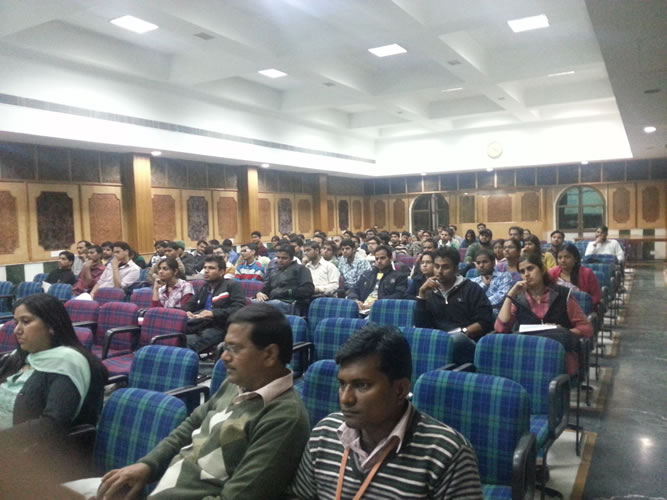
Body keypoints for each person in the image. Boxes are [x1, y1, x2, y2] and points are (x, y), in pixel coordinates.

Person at [94, 304, 310, 500]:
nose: (224, 357)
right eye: (225, 347)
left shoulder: (284, 417)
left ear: (270, 354)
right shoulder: (237, 383)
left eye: (235, 349)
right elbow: (191, 426)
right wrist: (148, 466)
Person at [287, 324, 482, 499]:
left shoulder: (447, 454)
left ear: (400, 390)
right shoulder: (325, 432)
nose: (345, 398)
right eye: (342, 384)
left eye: (362, 385)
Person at [0, 294, 107, 456]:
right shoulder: (21, 356)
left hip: (32, 456)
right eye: (16, 322)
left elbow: (52, 425)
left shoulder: (66, 362)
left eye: (26, 322)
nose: (17, 330)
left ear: (51, 325)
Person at [495, 252, 593, 375]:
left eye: (530, 268)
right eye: (522, 271)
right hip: (529, 354)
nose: (526, 274)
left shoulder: (563, 294)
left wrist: (561, 331)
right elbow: (500, 328)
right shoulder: (520, 298)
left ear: (542, 270)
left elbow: (586, 328)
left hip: (559, 353)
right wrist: (510, 294)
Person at [415, 246, 494, 364]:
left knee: (456, 339)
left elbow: (485, 321)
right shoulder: (429, 291)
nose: (439, 271)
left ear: (456, 269)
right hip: (437, 342)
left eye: (445, 267)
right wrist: (421, 294)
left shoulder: (471, 289)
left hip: (466, 341)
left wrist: (462, 332)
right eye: (436, 266)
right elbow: (421, 326)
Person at [182, 255, 245, 352]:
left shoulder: (232, 285)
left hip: (219, 327)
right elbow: (190, 305)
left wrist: (213, 313)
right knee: (172, 335)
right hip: (199, 323)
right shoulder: (204, 287)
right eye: (205, 268)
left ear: (221, 272)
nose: (206, 271)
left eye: (211, 268)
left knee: (185, 342)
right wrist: (187, 312)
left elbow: (239, 309)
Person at [346, 245, 408, 314]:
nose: (379, 261)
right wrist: (355, 300)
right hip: (362, 308)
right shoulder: (367, 275)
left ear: (390, 258)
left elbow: (398, 296)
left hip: (382, 310)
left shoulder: (399, 276)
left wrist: (377, 303)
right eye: (377, 259)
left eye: (382, 258)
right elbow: (353, 289)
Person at [255, 244, 314, 314]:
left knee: (274, 304)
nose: (280, 260)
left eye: (284, 258)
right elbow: (267, 287)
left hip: (290, 303)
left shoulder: (301, 269)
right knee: (252, 302)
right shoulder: (276, 270)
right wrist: (260, 293)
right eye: (278, 257)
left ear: (291, 258)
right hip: (273, 301)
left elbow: (308, 289)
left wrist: (288, 292)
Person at [470, 249, 514, 316]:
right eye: (478, 263)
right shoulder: (473, 281)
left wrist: (480, 304)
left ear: (493, 263)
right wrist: (484, 285)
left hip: (495, 313)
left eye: (485, 262)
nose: (481, 265)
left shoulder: (504, 277)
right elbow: (470, 299)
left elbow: (501, 298)